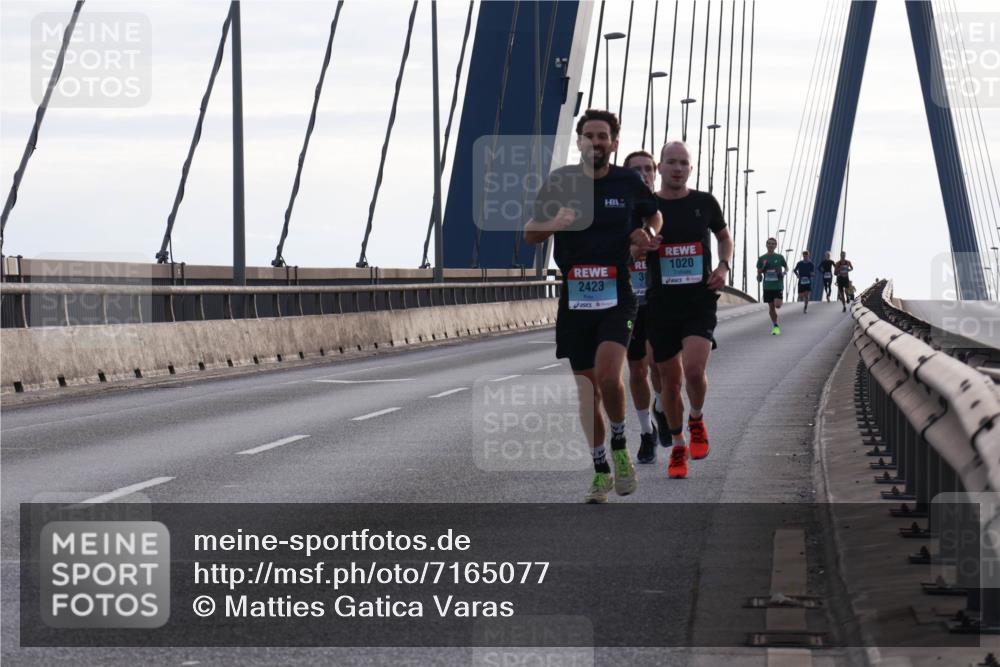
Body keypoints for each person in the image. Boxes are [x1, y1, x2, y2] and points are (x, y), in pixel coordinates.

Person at [524, 109, 662, 503]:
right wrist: (556, 223)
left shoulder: (628, 181)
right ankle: (601, 469)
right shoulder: (561, 182)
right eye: (589, 136)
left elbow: (654, 214)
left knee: (607, 374)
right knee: (588, 393)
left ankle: (620, 445)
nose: (596, 142)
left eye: (603, 136)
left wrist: (648, 232)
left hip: (617, 295)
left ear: (614, 143)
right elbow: (530, 233)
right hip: (574, 298)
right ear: (579, 141)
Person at [644, 141, 733, 479]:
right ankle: (679, 444)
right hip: (661, 303)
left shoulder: (704, 202)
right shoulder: (648, 205)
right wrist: (642, 246)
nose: (677, 168)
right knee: (670, 379)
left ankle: (696, 417)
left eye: (683, 163)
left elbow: (725, 238)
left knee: (694, 371)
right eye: (671, 162)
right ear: (660, 168)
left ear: (690, 169)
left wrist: (723, 266)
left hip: (699, 300)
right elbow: (632, 245)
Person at [623, 150, 664, 463]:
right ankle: (646, 432)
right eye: (635, 170)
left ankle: (661, 406)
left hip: (661, 301)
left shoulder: (668, 210)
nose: (643, 175)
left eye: (648, 169)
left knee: (659, 366)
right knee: (637, 368)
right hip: (628, 302)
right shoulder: (614, 213)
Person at [757, 238, 788, 335]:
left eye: (773, 244)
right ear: (766, 245)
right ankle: (775, 325)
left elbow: (786, 267)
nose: (771, 245)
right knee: (771, 308)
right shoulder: (761, 258)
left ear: (776, 246)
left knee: (777, 305)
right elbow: (759, 272)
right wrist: (760, 273)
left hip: (778, 285)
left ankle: (775, 323)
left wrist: (784, 273)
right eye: (769, 243)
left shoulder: (779, 257)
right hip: (767, 286)